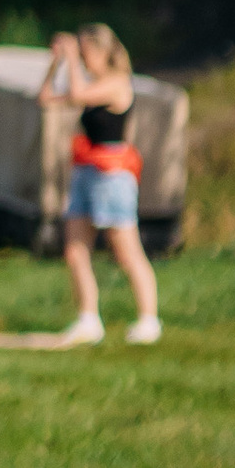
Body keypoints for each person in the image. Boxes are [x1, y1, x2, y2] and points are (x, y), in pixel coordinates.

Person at [46, 22, 161, 345]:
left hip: (113, 174)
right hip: (85, 171)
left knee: (126, 250)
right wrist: (56, 63)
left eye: (85, 53)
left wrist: (70, 60)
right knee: (75, 250)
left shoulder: (117, 82)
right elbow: (46, 97)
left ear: (101, 51)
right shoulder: (90, 83)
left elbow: (77, 94)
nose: (82, 60)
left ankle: (149, 319)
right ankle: (88, 319)